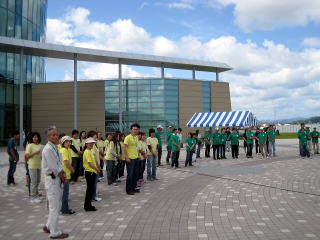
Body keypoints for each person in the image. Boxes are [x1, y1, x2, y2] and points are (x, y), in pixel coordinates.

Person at [42, 126, 68, 239]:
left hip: (56, 178)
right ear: (48, 137)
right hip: (52, 179)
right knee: (54, 207)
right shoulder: (48, 149)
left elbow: (59, 163)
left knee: (56, 204)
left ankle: (48, 226)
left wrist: (63, 173)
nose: (56, 136)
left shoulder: (55, 147)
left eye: (57, 134)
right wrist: (62, 176)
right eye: (53, 135)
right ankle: (55, 232)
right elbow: (54, 167)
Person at [59, 136, 75, 215]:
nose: (69, 143)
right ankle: (65, 209)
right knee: (65, 193)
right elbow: (66, 162)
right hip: (65, 174)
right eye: (67, 142)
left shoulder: (68, 150)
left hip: (66, 174)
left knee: (65, 192)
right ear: (63, 143)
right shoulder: (64, 150)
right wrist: (72, 169)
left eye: (69, 141)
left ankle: (64, 208)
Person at [83, 137, 100, 211]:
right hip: (90, 172)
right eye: (90, 143)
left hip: (92, 172)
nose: (91, 144)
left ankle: (88, 205)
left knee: (91, 189)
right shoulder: (87, 151)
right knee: (90, 189)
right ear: (86, 144)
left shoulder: (90, 151)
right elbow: (90, 163)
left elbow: (93, 162)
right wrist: (97, 169)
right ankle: (87, 206)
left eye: (92, 143)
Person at [25, 132, 42, 203]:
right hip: (32, 166)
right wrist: (35, 153)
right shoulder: (30, 145)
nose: (36, 138)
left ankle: (36, 194)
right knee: (33, 182)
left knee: (38, 181)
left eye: (37, 137)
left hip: (39, 165)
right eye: (34, 137)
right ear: (32, 138)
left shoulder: (40, 145)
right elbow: (27, 156)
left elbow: (41, 155)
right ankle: (33, 197)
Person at [124, 123, 140, 195]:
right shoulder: (128, 137)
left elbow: (136, 147)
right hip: (130, 158)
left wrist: (138, 155)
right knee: (130, 174)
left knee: (135, 174)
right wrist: (127, 157)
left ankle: (134, 188)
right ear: (131, 130)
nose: (135, 130)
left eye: (136, 129)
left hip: (136, 157)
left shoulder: (136, 137)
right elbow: (125, 148)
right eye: (134, 129)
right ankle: (129, 190)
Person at [86, 130, 102, 202]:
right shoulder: (91, 147)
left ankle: (93, 195)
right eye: (95, 137)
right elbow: (93, 158)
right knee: (93, 183)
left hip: (95, 166)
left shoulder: (94, 145)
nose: (96, 138)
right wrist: (98, 167)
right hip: (93, 168)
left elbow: (97, 156)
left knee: (94, 183)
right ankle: (93, 196)